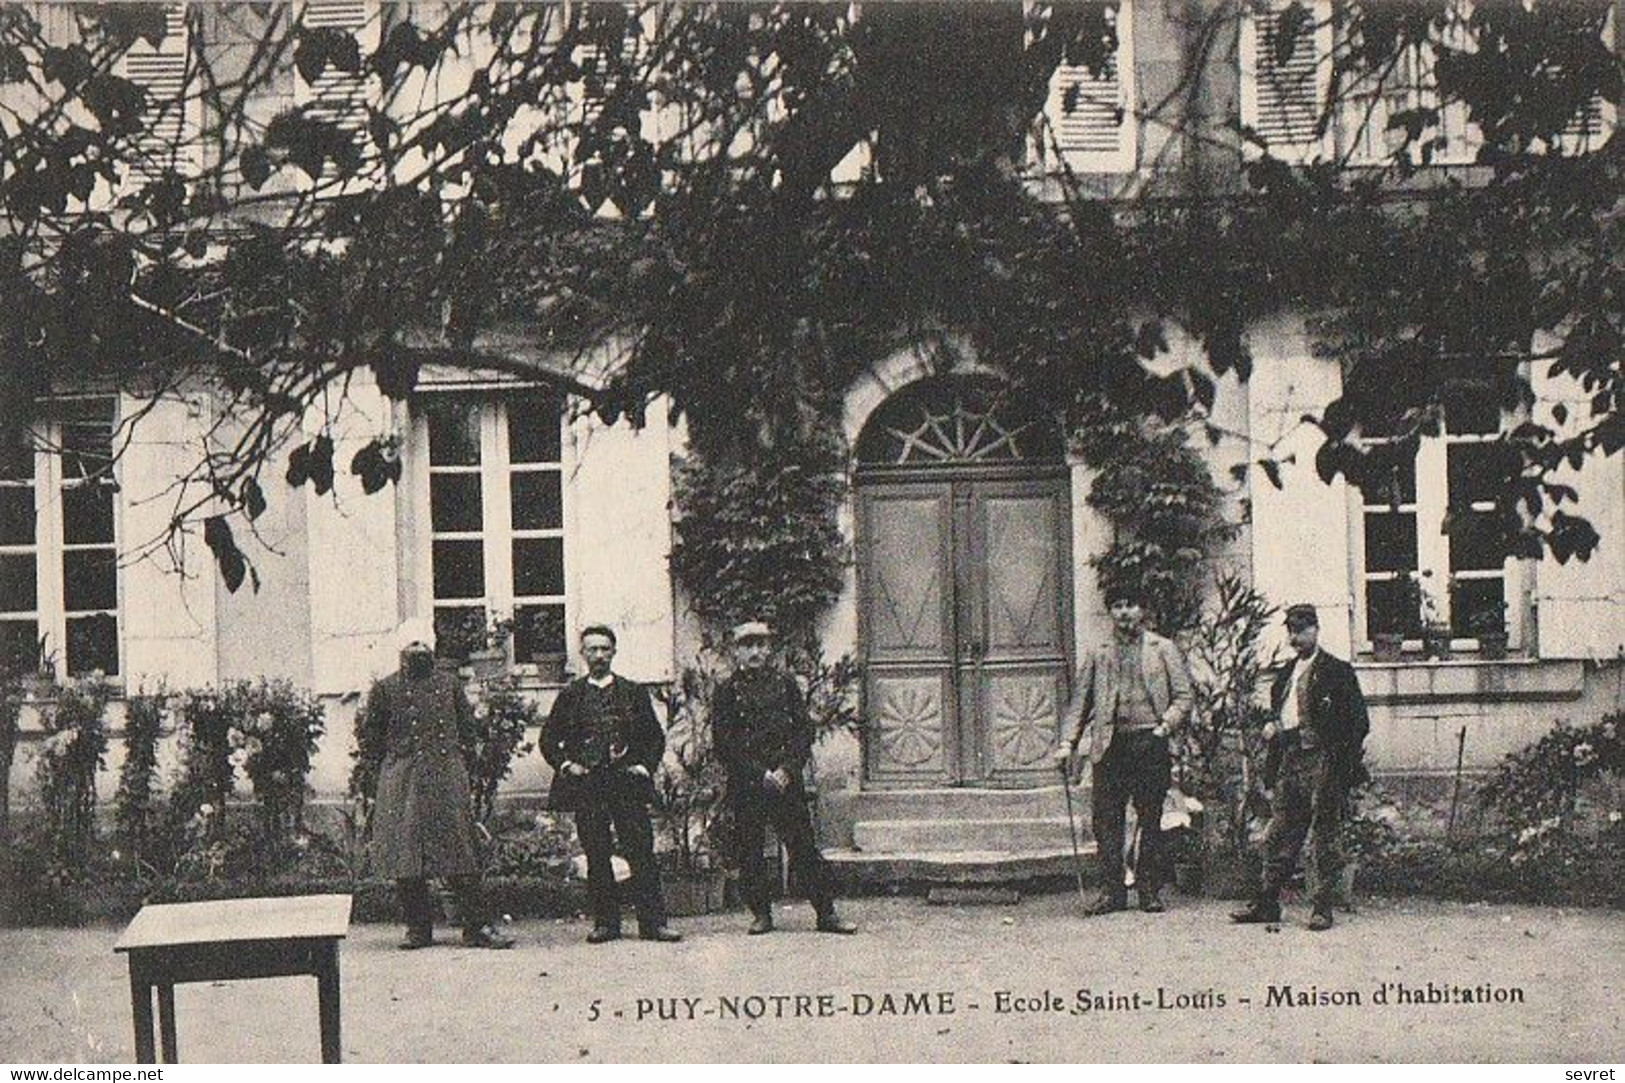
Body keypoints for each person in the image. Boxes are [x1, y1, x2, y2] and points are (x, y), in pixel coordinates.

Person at [358, 617, 514, 949]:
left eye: (423, 644)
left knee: (458, 849)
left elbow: (468, 732)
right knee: (407, 854)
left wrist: (462, 773)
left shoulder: (449, 685)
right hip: (403, 777)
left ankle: (476, 928)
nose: (418, 650)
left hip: (445, 774)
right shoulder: (385, 689)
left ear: (432, 647)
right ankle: (418, 928)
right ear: (401, 649)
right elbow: (371, 740)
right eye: (412, 645)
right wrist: (384, 777)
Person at [710, 621, 856, 936]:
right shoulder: (725, 692)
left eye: (761, 645)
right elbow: (724, 743)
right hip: (749, 784)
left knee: (803, 848)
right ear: (736, 651)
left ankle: (825, 913)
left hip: (786, 783)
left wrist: (787, 770)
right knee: (751, 851)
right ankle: (761, 914)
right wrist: (759, 773)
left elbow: (803, 731)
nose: (755, 652)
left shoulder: (786, 685)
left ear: (770, 649)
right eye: (748, 645)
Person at [1053, 586, 1192, 916]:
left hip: (1150, 742)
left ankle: (1148, 890)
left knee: (1151, 818)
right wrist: (1066, 744)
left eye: (1131, 604)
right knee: (1107, 822)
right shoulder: (1099, 652)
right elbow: (1080, 703)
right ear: (1110, 612)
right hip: (1111, 746)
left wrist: (1163, 727)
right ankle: (1112, 893)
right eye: (1118, 605)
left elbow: (1184, 697)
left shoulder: (1162, 648)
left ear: (1141, 609)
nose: (1125, 612)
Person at [1232, 603, 1371, 931]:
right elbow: (1277, 720)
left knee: (1324, 837)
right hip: (1290, 762)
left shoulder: (1337, 671)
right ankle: (1267, 902)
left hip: (1323, 761)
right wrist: (1275, 747)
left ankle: (1322, 907)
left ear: (1316, 629)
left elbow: (1358, 723)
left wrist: (1341, 765)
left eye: (1303, 629)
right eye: (1292, 630)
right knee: (1281, 834)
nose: (1297, 636)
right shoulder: (1284, 675)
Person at [541, 625, 681, 944]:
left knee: (640, 850)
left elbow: (654, 738)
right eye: (593, 649)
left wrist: (644, 766)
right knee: (596, 853)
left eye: (605, 649)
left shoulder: (633, 692)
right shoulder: (571, 695)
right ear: (583, 654)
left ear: (614, 652)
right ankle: (606, 923)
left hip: (625, 785)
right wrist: (566, 765)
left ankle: (653, 924)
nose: (600, 655)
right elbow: (549, 739)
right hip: (589, 785)